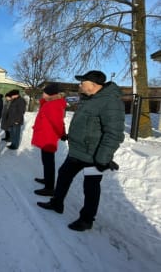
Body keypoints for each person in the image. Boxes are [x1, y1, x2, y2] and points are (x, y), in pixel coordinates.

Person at [37, 71, 125, 231]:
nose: (79, 85)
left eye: (82, 82)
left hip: (93, 156)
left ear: (93, 84)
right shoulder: (88, 99)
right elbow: (86, 124)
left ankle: (86, 219)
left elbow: (114, 133)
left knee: (90, 187)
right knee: (63, 175)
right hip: (77, 151)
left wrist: (102, 158)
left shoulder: (110, 102)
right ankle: (57, 203)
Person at [31, 83, 67, 196]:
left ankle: (49, 187)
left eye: (44, 92)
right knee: (46, 161)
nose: (42, 94)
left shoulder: (52, 105)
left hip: (48, 137)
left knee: (48, 162)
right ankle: (47, 180)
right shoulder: (49, 103)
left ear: (50, 94)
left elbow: (58, 122)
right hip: (45, 135)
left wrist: (62, 134)